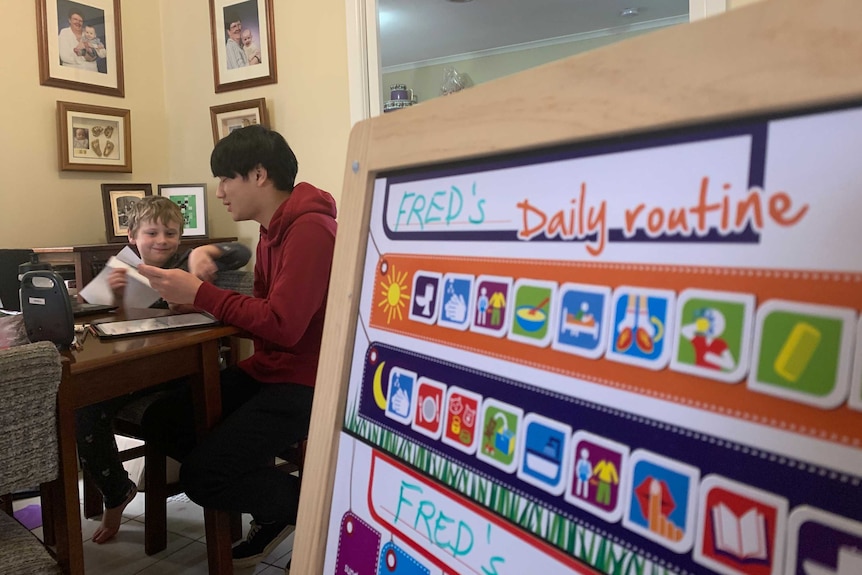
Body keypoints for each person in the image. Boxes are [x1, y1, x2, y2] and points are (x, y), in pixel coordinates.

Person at [137, 125, 337, 568]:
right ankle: (263, 495)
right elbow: (268, 317)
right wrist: (200, 306)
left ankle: (316, 506)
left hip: (306, 380)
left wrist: (202, 295)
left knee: (202, 478)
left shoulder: (311, 230)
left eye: (226, 178)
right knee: (162, 418)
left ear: (259, 174)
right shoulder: (272, 231)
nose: (220, 191)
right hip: (273, 367)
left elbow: (284, 326)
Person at [76, 196, 250, 544]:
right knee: (83, 408)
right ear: (132, 237)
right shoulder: (123, 269)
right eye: (151, 232)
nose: (161, 240)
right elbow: (88, 310)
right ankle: (116, 490)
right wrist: (107, 298)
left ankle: (115, 493)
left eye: (170, 233)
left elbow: (241, 253)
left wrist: (206, 253)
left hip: (184, 369)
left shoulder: (187, 262)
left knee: (90, 405)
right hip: (135, 368)